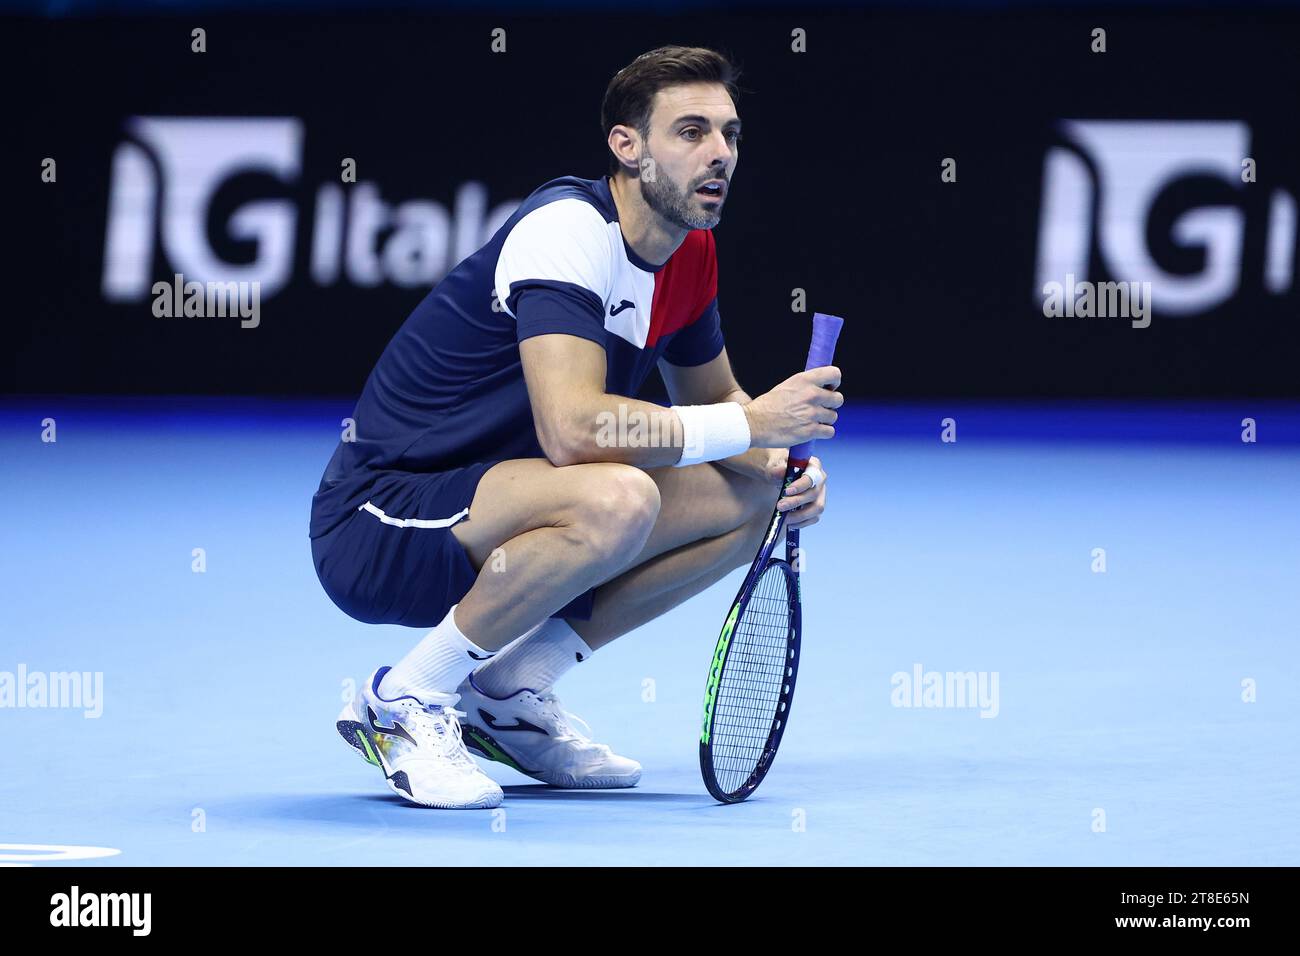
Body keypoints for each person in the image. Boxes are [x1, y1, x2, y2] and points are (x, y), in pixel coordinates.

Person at [311, 45, 842, 808]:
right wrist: (754, 423)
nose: (719, 153)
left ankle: (510, 691)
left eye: (729, 134)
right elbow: (572, 430)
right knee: (617, 497)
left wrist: (781, 469)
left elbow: (720, 406)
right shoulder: (567, 229)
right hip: (381, 520)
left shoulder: (691, 255)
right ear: (626, 146)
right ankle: (403, 700)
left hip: (516, 506)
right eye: (690, 132)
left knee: (750, 499)